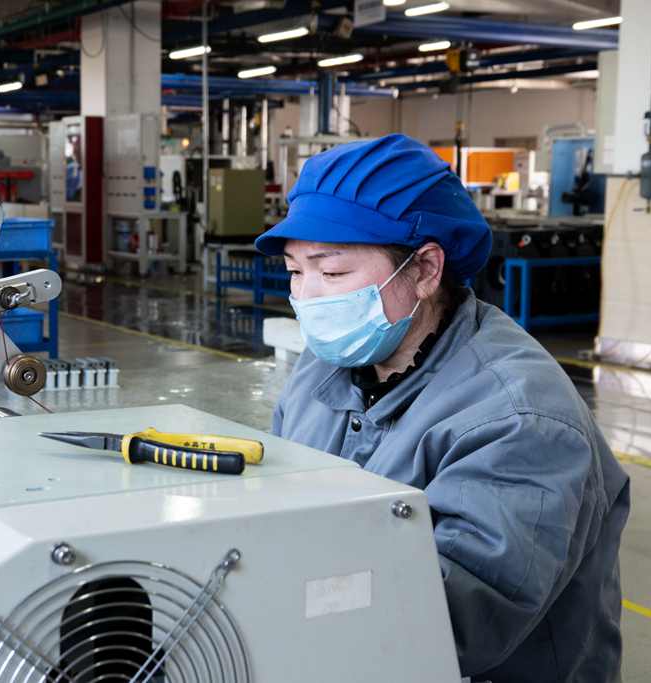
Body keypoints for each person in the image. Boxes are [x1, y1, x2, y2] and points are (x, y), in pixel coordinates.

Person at [257, 134, 629, 682]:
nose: (307, 295)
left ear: (427, 270)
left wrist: (269, 601)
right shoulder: (322, 370)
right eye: (295, 271)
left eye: (332, 273)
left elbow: (449, 623)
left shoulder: (519, 419)